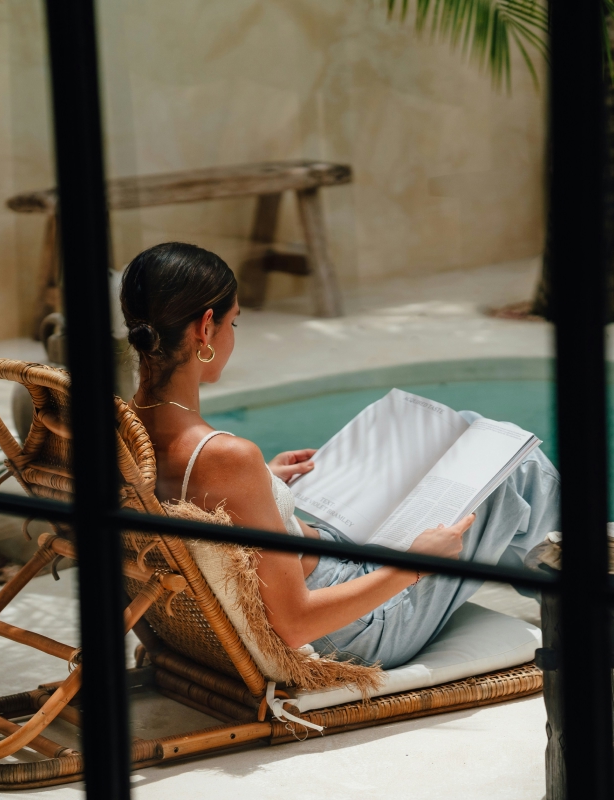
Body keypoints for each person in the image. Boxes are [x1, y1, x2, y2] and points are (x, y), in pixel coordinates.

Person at [121, 242, 561, 670]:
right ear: (205, 328)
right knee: (515, 466)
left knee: (463, 428)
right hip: (353, 628)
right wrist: (418, 563)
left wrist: (265, 483)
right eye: (234, 324)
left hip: (329, 554)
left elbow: (184, 498)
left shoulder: (121, 433)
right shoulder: (224, 457)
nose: (233, 338)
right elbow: (294, 625)